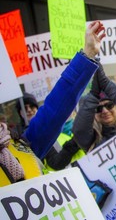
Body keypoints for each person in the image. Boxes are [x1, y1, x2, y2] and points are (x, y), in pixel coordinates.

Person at [0, 20, 105, 186]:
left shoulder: (18, 144)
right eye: (24, 108)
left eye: (31, 107)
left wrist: (87, 55)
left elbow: (55, 109)